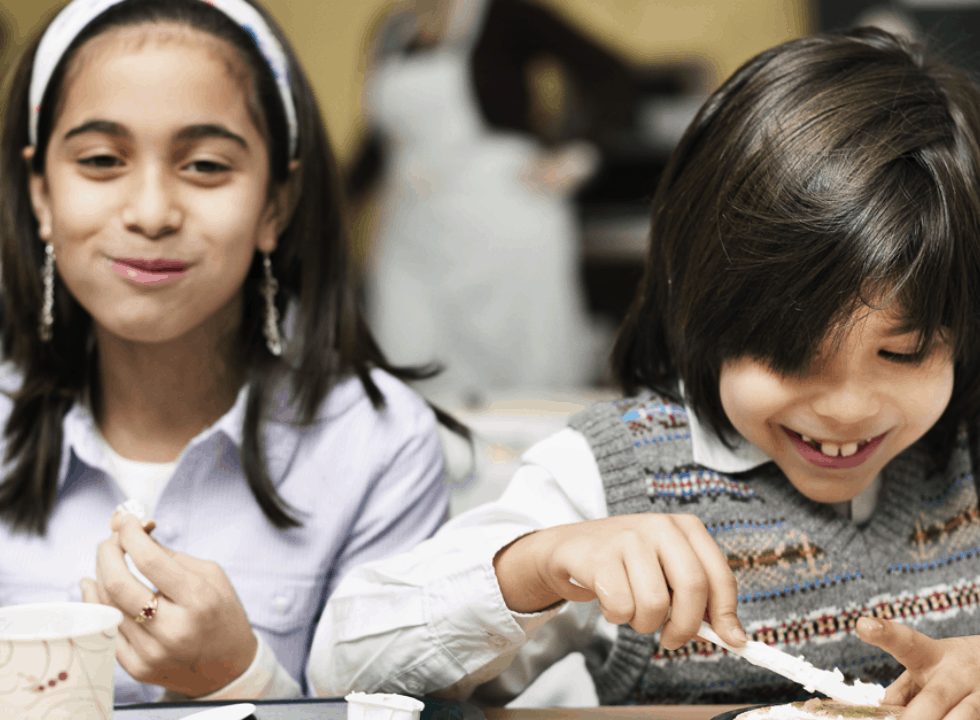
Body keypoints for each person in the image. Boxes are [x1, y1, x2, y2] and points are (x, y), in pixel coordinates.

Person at [306, 27, 980, 717]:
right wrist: (538, 565)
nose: (846, 408)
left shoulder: (964, 454)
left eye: (904, 352)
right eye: (791, 354)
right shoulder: (619, 478)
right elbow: (339, 670)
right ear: (700, 307)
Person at [0, 0, 463, 705]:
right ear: (41, 195)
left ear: (276, 202)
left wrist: (237, 678)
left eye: (207, 165)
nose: (152, 212)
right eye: (100, 161)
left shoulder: (378, 443)